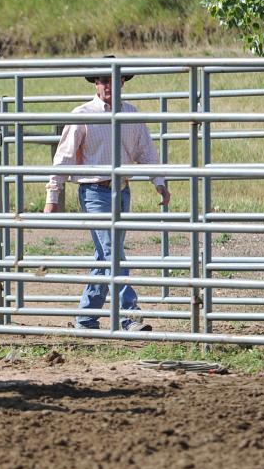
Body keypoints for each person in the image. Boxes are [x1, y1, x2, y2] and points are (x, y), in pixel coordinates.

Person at [44, 57, 170, 331]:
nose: (108, 85)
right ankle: (130, 316)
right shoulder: (83, 114)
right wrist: (53, 194)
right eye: (103, 80)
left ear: (122, 82)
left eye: (113, 79)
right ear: (96, 84)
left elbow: (146, 151)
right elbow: (64, 157)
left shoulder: (131, 114)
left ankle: (86, 317)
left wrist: (158, 181)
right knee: (114, 253)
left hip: (121, 190)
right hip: (94, 192)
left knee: (105, 256)